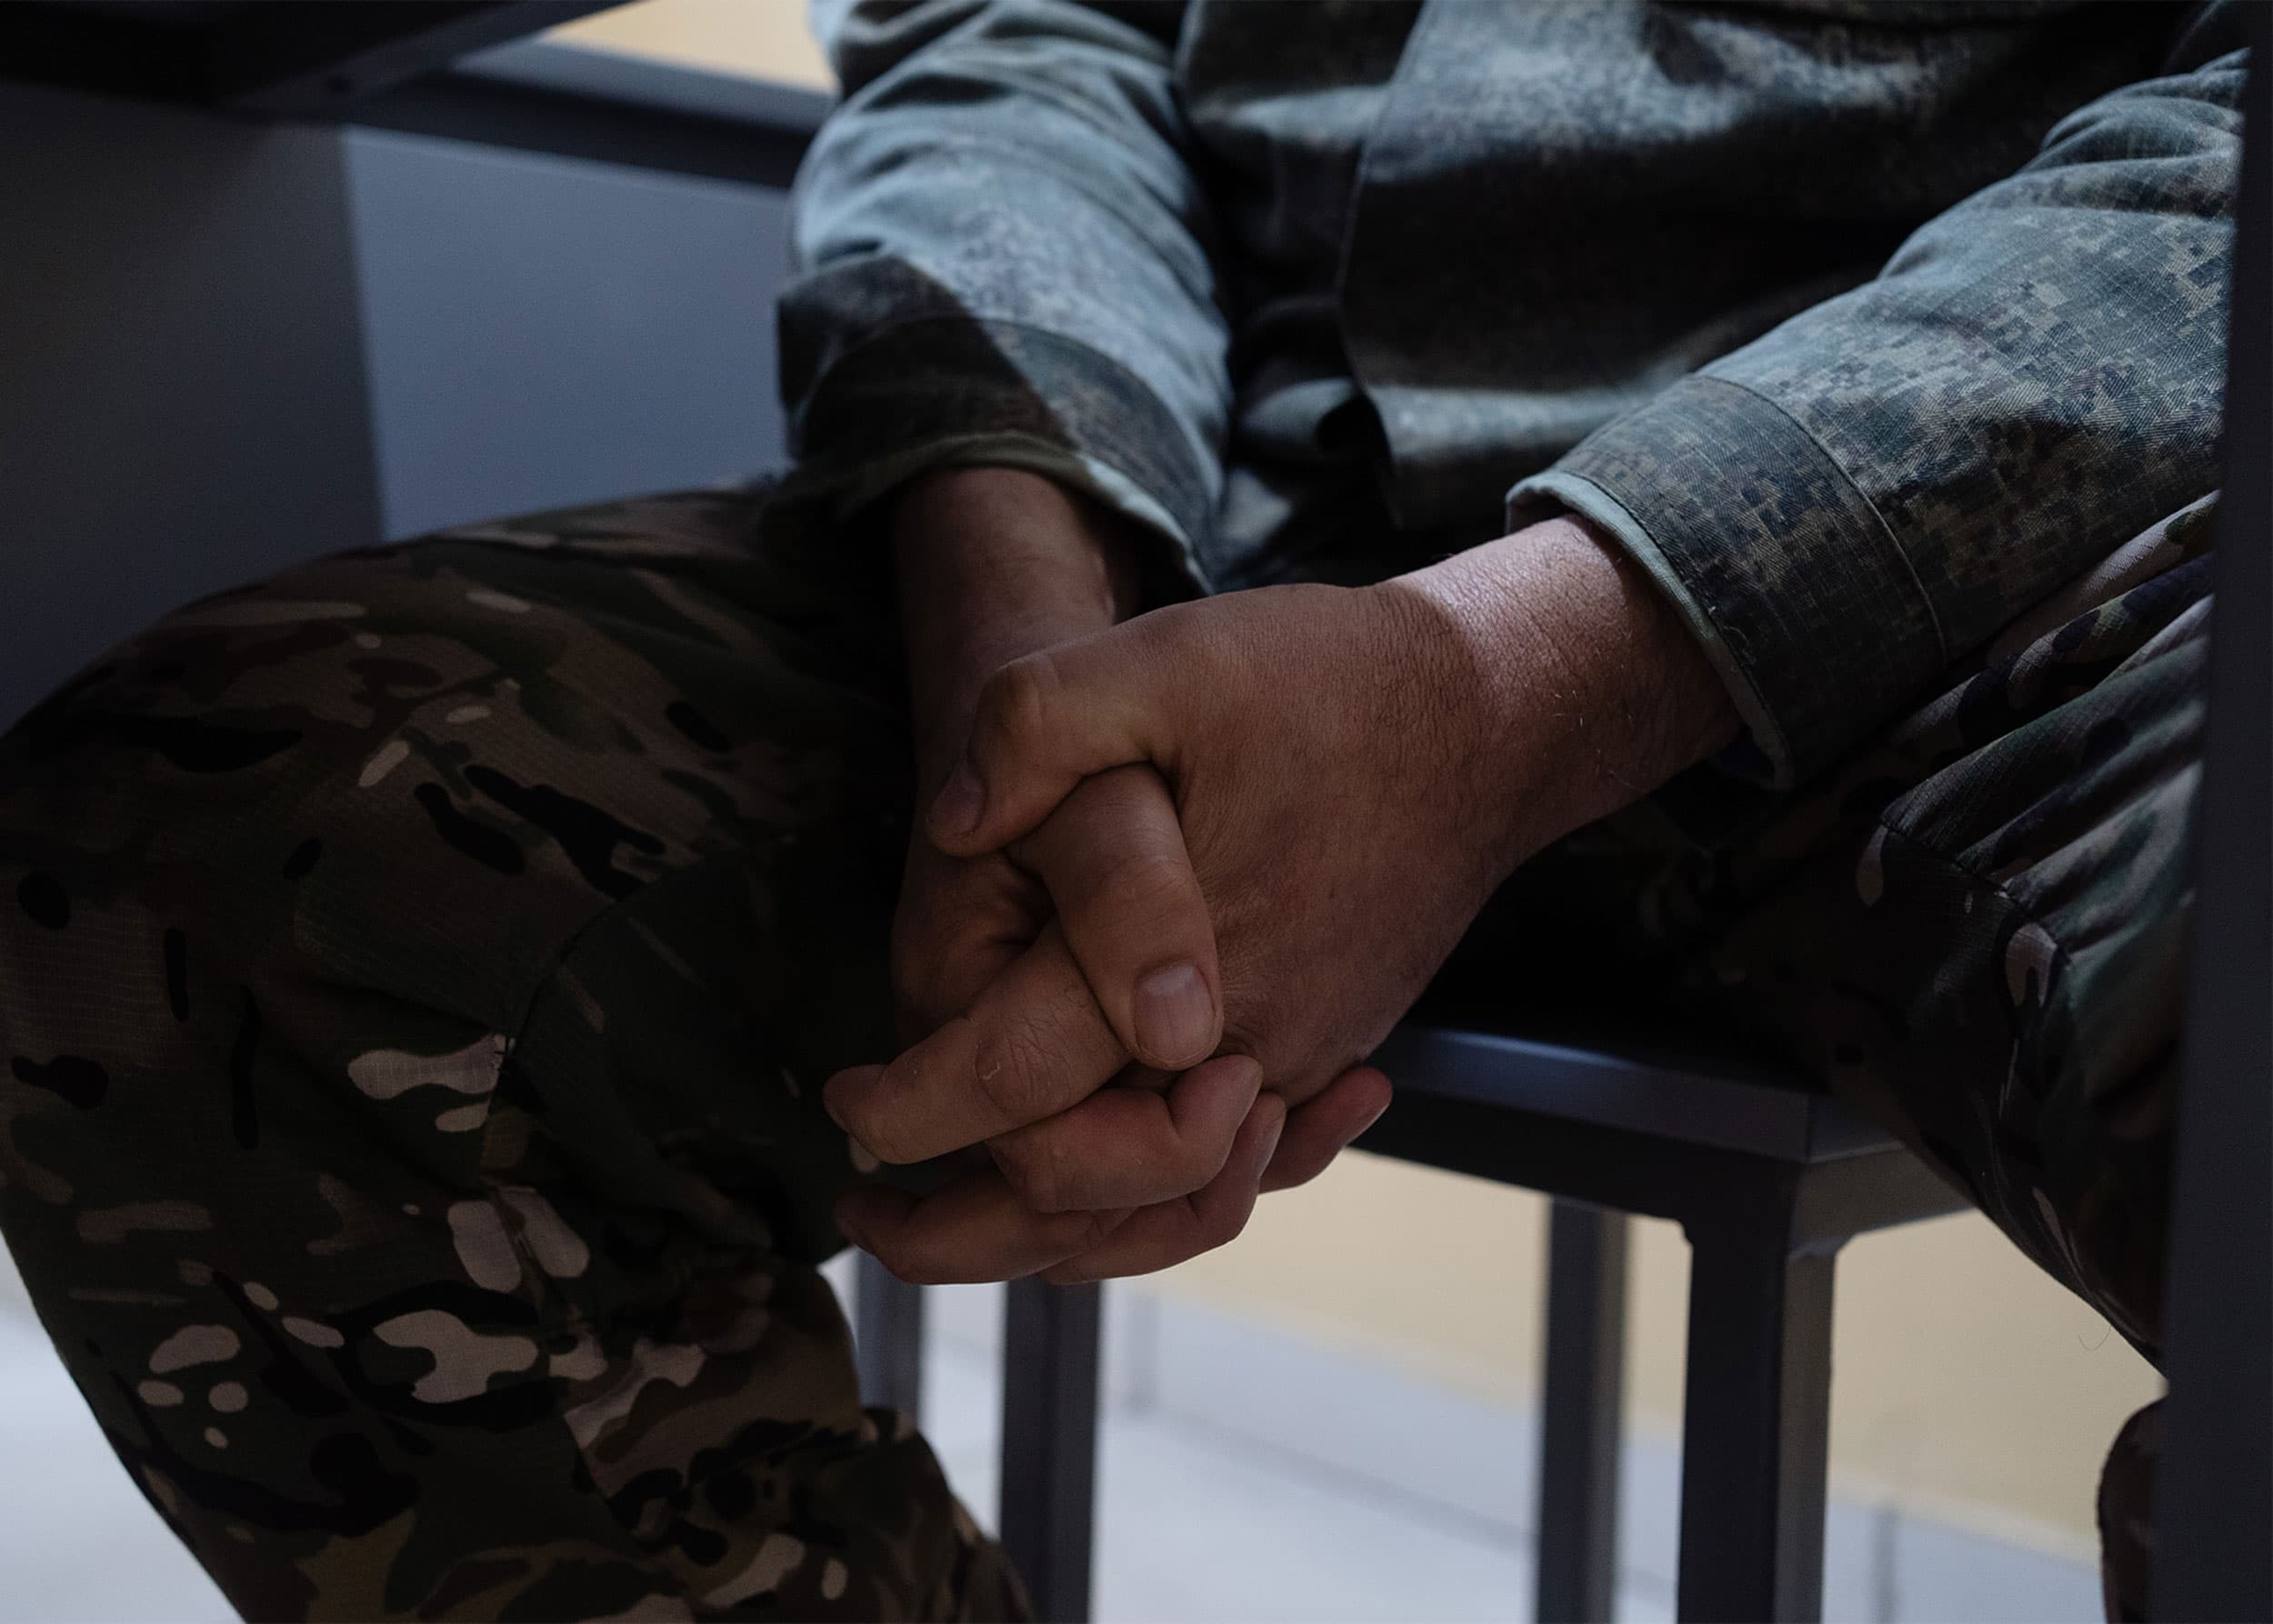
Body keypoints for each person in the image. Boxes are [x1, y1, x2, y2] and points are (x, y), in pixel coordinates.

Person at [0, 1, 2245, 1618]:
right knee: (253, 857)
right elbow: (1009, 25)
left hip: (2063, 551)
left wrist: (1523, 670)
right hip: (1208, 515)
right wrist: (1014, 618)